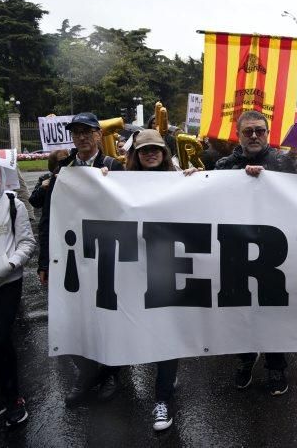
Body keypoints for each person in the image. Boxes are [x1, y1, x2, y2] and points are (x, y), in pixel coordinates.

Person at [100, 129, 194, 431]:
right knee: (140, 327)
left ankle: (162, 398)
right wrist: (101, 181)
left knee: (167, 331)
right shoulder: (121, 183)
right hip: (132, 270)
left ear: (164, 152)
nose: (150, 154)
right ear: (136, 155)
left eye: (156, 149)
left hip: (168, 267)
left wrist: (198, 184)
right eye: (144, 150)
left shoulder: (180, 181)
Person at [35, 113, 125, 406]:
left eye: (87, 132)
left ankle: (111, 372)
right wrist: (44, 262)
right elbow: (48, 217)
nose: (82, 137)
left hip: (106, 255)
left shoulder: (112, 166)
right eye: (77, 132)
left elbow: (131, 209)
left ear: (99, 135)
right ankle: (88, 374)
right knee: (71, 318)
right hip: (72, 255)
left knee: (108, 317)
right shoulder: (63, 170)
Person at [215, 110, 294, 396]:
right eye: (248, 131)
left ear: (268, 132)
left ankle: (276, 366)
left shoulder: (284, 163)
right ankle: (246, 359)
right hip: (235, 251)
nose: (254, 136)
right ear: (238, 134)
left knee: (274, 311)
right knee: (239, 311)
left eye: (259, 130)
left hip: (276, 252)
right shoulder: (224, 165)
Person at [0, 164, 36, 428]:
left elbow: (27, 243)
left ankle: (13, 398)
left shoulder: (12, 204)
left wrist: (10, 264)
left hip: (7, 282)